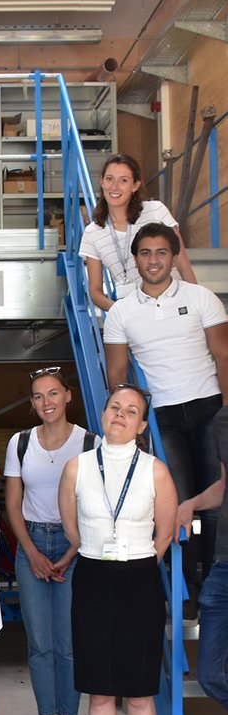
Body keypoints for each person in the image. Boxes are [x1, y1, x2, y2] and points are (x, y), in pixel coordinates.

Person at [58, 385, 176, 715]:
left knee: (140, 694)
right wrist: (99, 552)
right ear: (103, 415)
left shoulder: (155, 471)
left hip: (139, 581)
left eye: (132, 412)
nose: (121, 416)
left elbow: (164, 533)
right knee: (101, 692)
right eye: (114, 408)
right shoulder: (77, 467)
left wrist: (135, 561)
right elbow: (72, 527)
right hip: (92, 578)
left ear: (142, 425)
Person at [104, 223, 228, 591]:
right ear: (135, 260)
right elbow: (117, 376)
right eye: (145, 253)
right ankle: (187, 587)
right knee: (177, 499)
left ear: (174, 257)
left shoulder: (202, 297)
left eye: (161, 252)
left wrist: (226, 413)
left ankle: (216, 580)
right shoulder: (121, 312)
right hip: (162, 417)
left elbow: (223, 355)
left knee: (216, 495)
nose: (153, 260)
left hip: (209, 408)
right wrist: (133, 422)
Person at [4, 367, 98, 715]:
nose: (47, 402)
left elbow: (95, 506)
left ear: (68, 396)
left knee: (69, 643)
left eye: (53, 394)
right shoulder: (20, 443)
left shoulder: (89, 442)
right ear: (32, 404)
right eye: (39, 396)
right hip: (32, 545)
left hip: (75, 544)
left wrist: (69, 552)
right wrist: (33, 554)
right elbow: (11, 504)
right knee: (41, 644)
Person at [80, 154, 197, 313]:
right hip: (136, 313)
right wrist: (121, 311)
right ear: (101, 182)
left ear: (135, 185)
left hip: (173, 304)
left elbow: (183, 264)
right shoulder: (92, 232)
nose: (114, 187)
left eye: (123, 180)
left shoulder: (156, 211)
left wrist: (197, 302)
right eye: (109, 179)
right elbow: (94, 291)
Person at [176, 406, 228, 711]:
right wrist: (191, 503)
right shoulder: (222, 420)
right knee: (211, 674)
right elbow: (224, 484)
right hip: (223, 565)